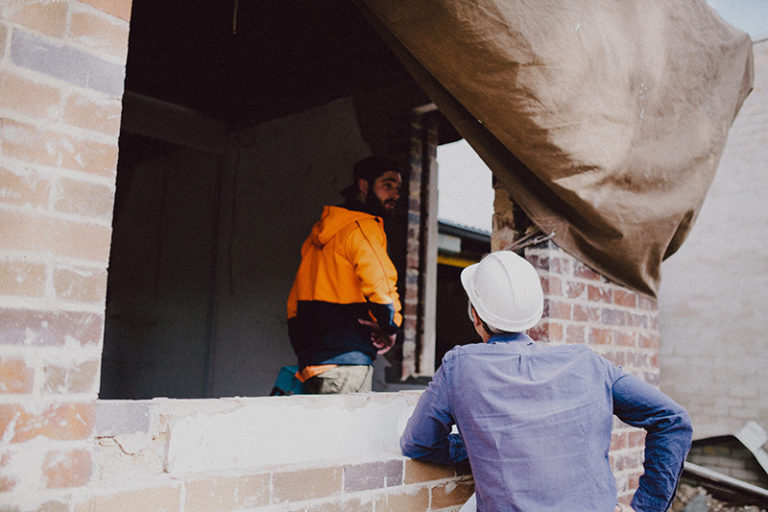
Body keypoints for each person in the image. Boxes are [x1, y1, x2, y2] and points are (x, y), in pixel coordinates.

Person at [400, 251, 692, 512]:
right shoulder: (587, 364)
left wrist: (477, 444)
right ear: (533, 317)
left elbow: (418, 443)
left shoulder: (460, 367)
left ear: (475, 315)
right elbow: (672, 418)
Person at [286, 156, 404, 394]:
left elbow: (293, 304)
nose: (395, 194)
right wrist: (391, 327)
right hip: (347, 362)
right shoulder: (364, 227)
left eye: (398, 188)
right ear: (363, 186)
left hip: (312, 361)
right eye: (387, 185)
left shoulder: (319, 235)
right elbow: (381, 286)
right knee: (347, 432)